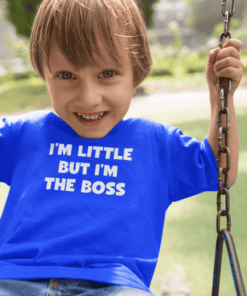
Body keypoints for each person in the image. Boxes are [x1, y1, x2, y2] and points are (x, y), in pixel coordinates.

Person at [0, 0, 243, 295]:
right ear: (43, 74)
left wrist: (220, 96)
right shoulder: (23, 134)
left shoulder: (156, 143)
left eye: (107, 74)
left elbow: (220, 169)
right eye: (67, 76)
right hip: (13, 279)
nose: (89, 99)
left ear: (135, 72)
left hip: (114, 285)